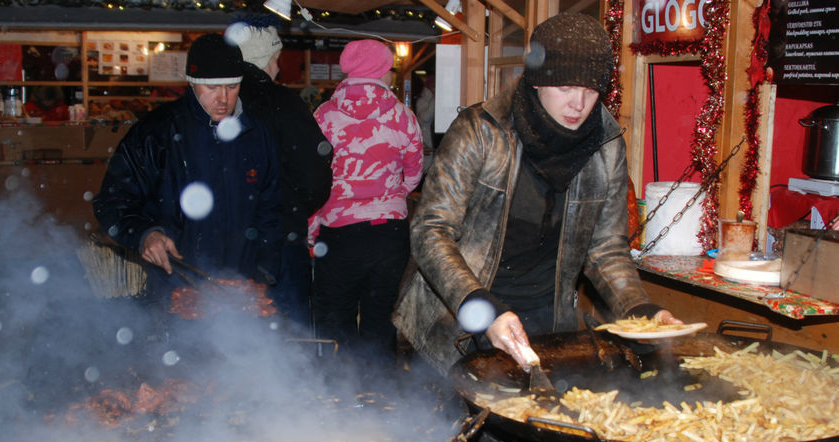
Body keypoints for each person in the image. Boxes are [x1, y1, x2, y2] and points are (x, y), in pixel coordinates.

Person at [392, 13, 680, 375]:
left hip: (545, 324)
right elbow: (430, 231)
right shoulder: (480, 131)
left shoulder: (605, 145)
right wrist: (484, 309)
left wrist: (641, 312)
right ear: (537, 82)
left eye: (591, 90)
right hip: (457, 317)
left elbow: (606, 248)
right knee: (444, 427)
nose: (579, 103)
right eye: (565, 87)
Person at [93, 33, 281, 299]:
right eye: (212, 87)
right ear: (192, 83)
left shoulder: (255, 133)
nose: (223, 99)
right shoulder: (157, 132)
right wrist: (145, 235)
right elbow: (112, 201)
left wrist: (264, 271)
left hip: (241, 285)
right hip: (177, 282)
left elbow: (270, 208)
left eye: (231, 86)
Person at [309, 39, 423, 358]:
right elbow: (414, 174)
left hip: (337, 234)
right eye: (389, 70)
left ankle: (338, 398)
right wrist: (389, 196)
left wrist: (311, 227)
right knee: (379, 320)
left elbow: (312, 176)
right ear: (382, 71)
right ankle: (380, 397)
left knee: (335, 320)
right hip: (387, 233)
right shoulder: (403, 116)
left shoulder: (324, 115)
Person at [229, 21, 333, 330]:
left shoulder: (218, 103)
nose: (278, 68)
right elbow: (316, 170)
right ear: (263, 59)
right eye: (276, 60)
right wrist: (296, 208)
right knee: (290, 331)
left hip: (228, 239)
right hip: (282, 236)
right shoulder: (283, 104)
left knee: (233, 330)